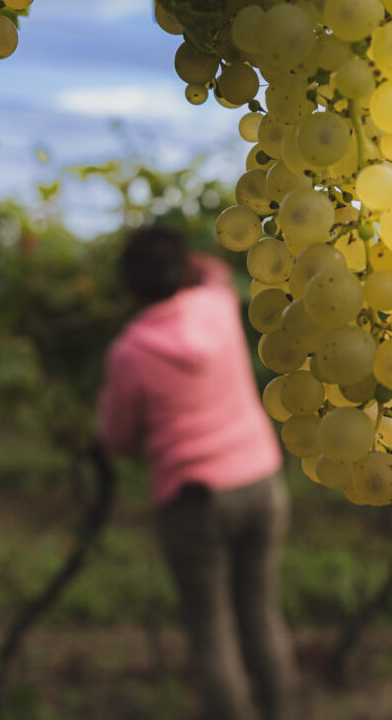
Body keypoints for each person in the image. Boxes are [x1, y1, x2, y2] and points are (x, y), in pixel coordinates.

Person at [97, 226, 298, 720]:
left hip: (194, 503)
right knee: (260, 613)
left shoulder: (132, 350)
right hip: (261, 481)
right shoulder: (218, 303)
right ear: (184, 266)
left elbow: (118, 440)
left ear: (130, 288)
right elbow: (216, 270)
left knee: (212, 631)